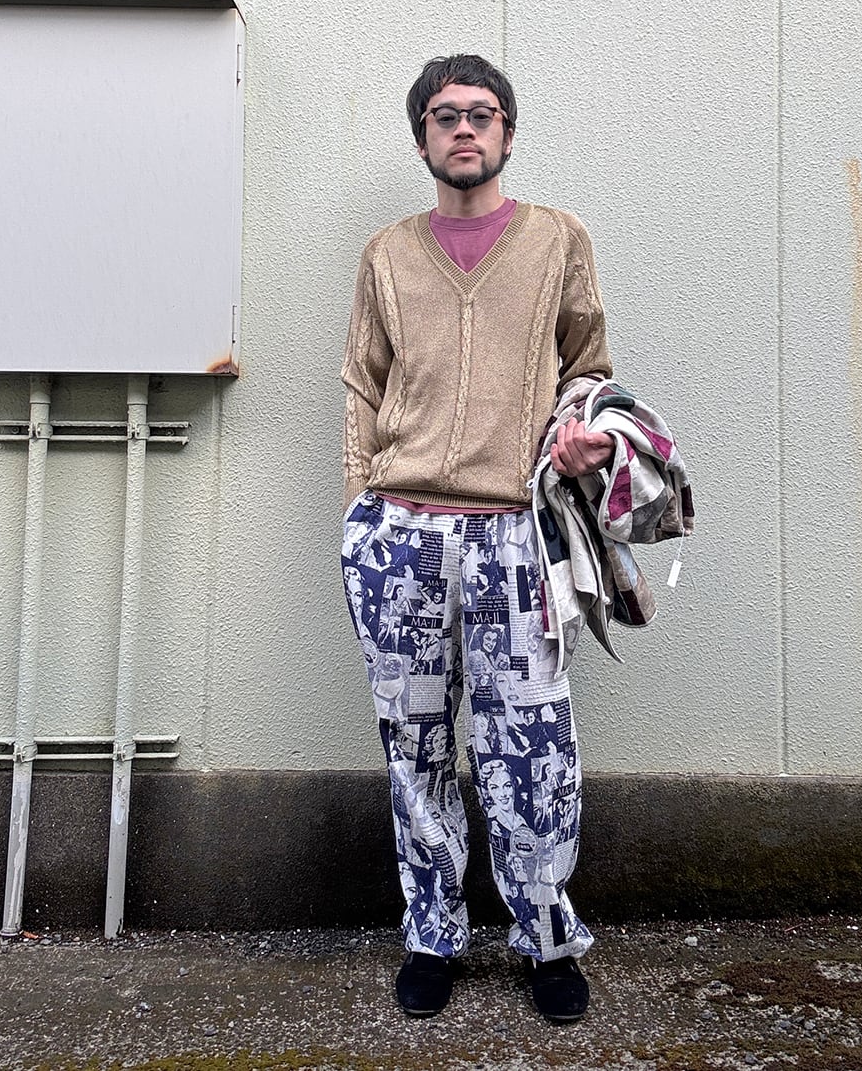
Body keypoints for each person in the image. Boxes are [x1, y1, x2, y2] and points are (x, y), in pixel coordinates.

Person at [340, 54, 615, 1022]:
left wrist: (579, 430)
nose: (465, 128)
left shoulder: (556, 241)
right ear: (422, 135)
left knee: (532, 746)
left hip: (514, 536)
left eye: (483, 114)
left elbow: (588, 365)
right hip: (400, 536)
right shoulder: (385, 255)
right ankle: (432, 932)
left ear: (507, 132)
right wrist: (358, 516)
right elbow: (361, 385)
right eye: (445, 115)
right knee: (415, 744)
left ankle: (545, 937)